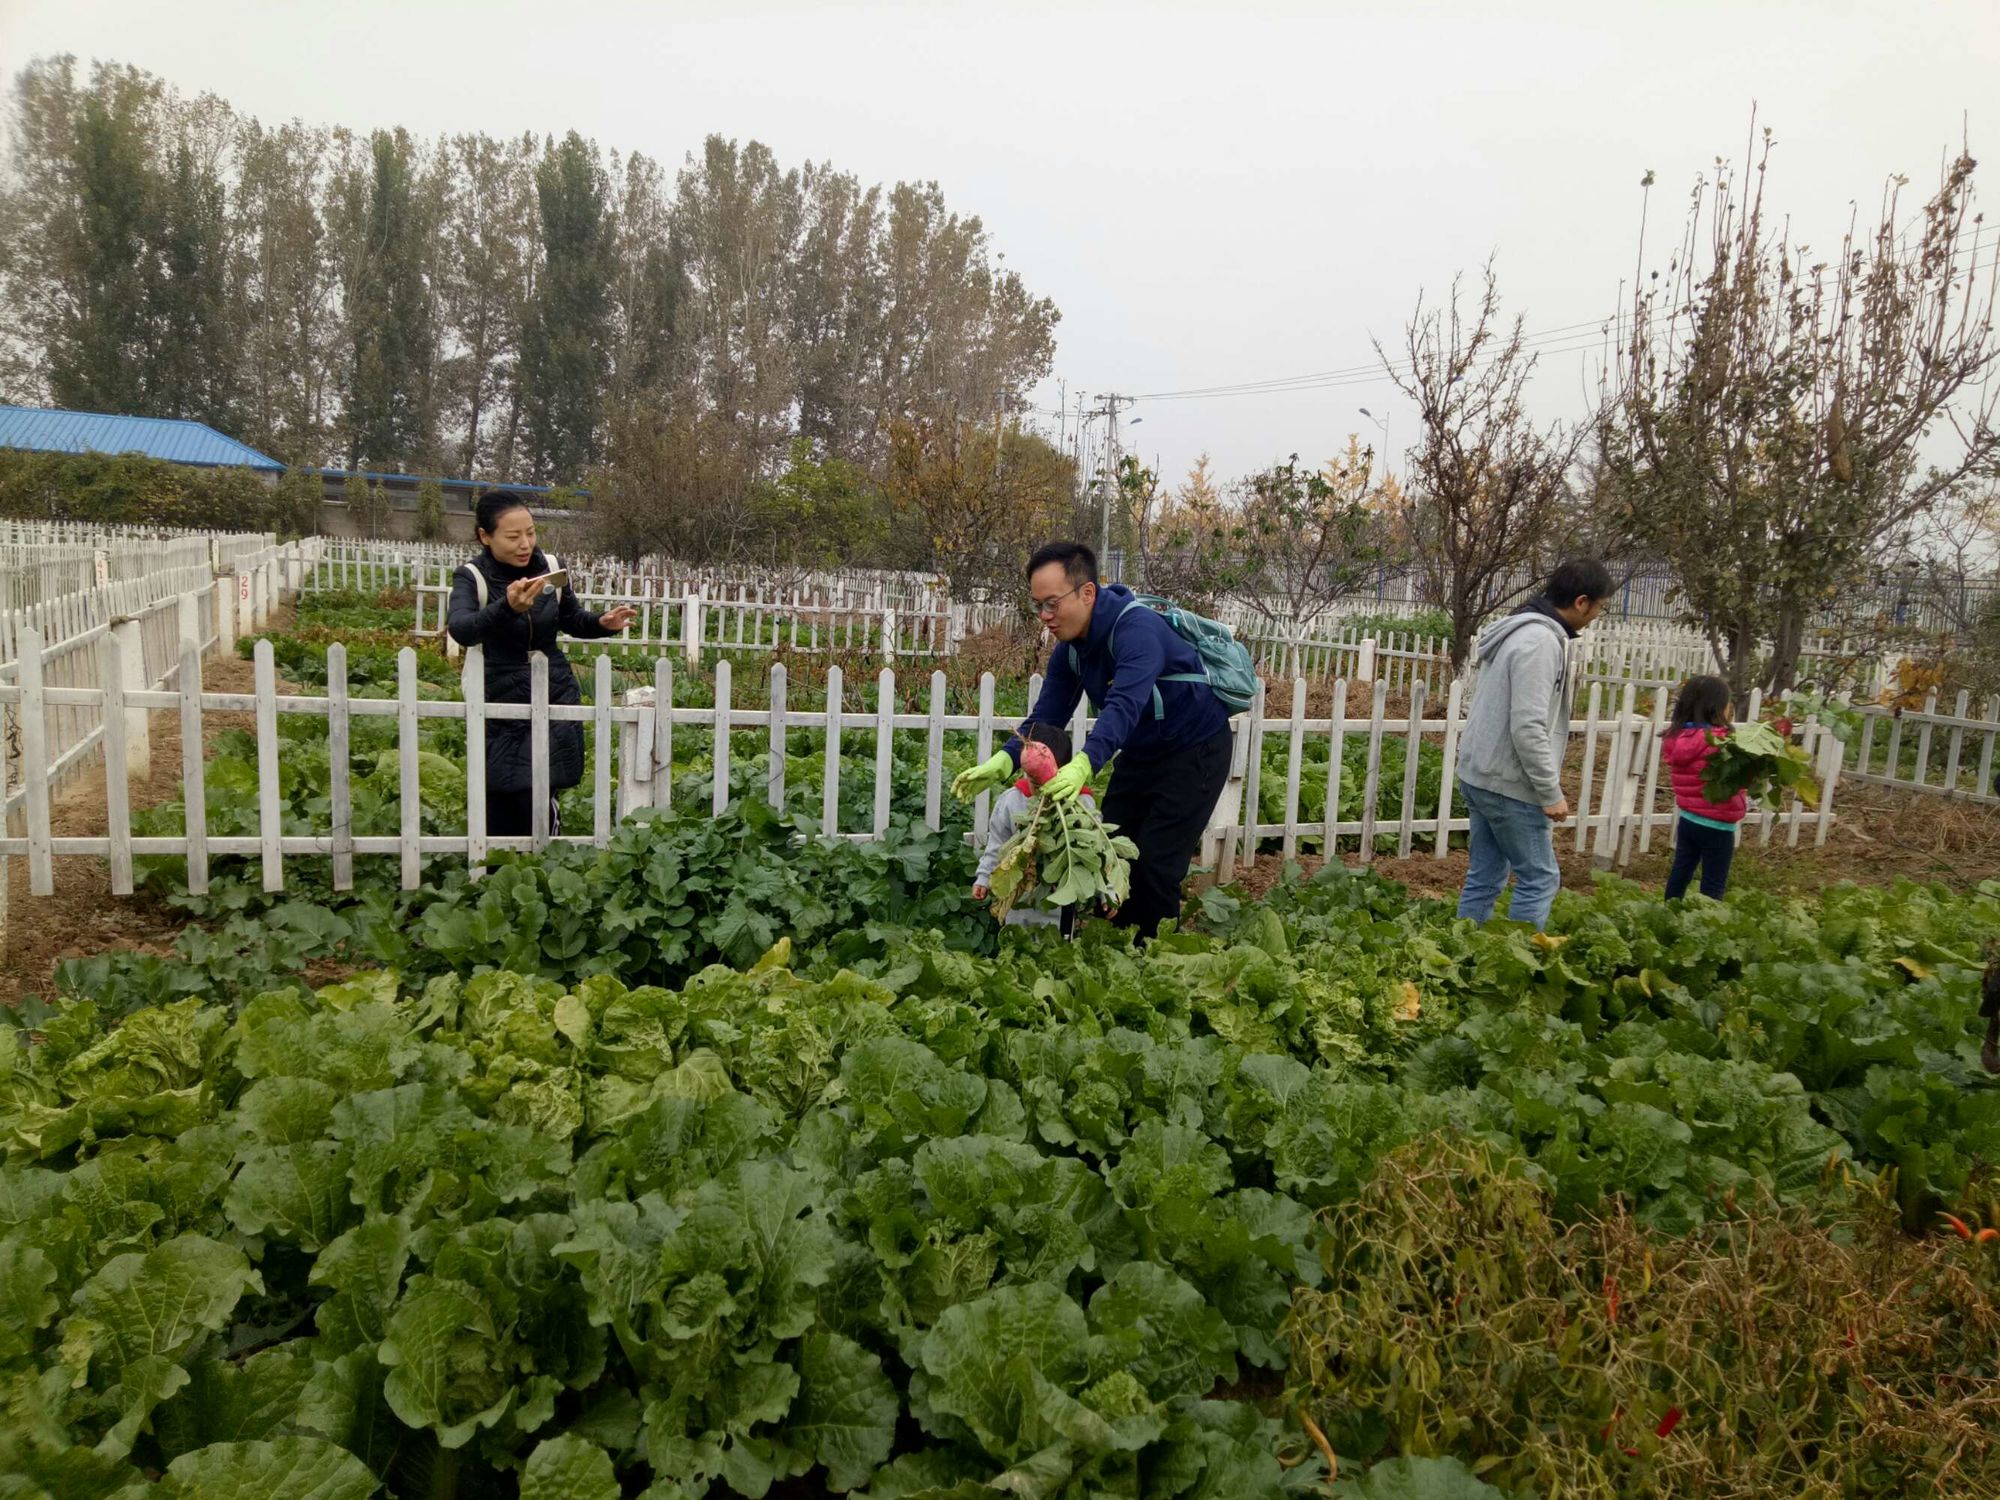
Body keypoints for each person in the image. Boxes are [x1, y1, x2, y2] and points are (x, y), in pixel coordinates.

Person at [952, 541, 1233, 942]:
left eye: (1052, 603)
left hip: (1195, 750)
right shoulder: (1070, 651)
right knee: (1112, 851)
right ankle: (1113, 950)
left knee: (1155, 863)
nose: (1045, 617)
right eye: (1038, 606)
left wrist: (1084, 763)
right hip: (1141, 752)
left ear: (1087, 593)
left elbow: (1124, 706)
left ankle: (1154, 959)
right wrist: (1005, 759)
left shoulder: (1138, 630)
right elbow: (1046, 715)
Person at [446, 489, 636, 838]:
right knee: (502, 787)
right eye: (513, 536)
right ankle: (496, 867)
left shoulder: (549, 567)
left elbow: (570, 618)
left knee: (541, 786)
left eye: (530, 532)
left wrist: (600, 623)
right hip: (499, 693)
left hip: (553, 687)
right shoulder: (471, 576)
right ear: (485, 536)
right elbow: (462, 630)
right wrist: (507, 608)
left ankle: (541, 859)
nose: (525, 544)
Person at [1454, 558, 1612, 930]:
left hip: (1480, 773)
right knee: (1540, 879)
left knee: (1486, 875)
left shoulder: (1515, 631)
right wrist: (1549, 792)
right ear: (1581, 602)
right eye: (1599, 608)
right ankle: (1516, 964)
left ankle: (1464, 952)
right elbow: (1527, 726)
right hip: (1509, 783)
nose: (1595, 617)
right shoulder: (1540, 642)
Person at [972, 722, 1088, 936]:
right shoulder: (1010, 800)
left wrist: (1106, 892)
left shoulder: (1080, 803)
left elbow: (1095, 853)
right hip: (1019, 891)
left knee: (1058, 943)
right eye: (1033, 779)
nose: (1039, 787)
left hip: (1060, 896)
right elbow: (997, 844)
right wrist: (983, 876)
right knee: (1017, 937)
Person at [1659, 675, 1746, 901]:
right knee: (1713, 882)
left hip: (1689, 819)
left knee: (1681, 870)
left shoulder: (1675, 737)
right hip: (1718, 824)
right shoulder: (1722, 741)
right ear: (1718, 707)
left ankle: (1668, 911)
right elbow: (1741, 779)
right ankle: (1707, 923)